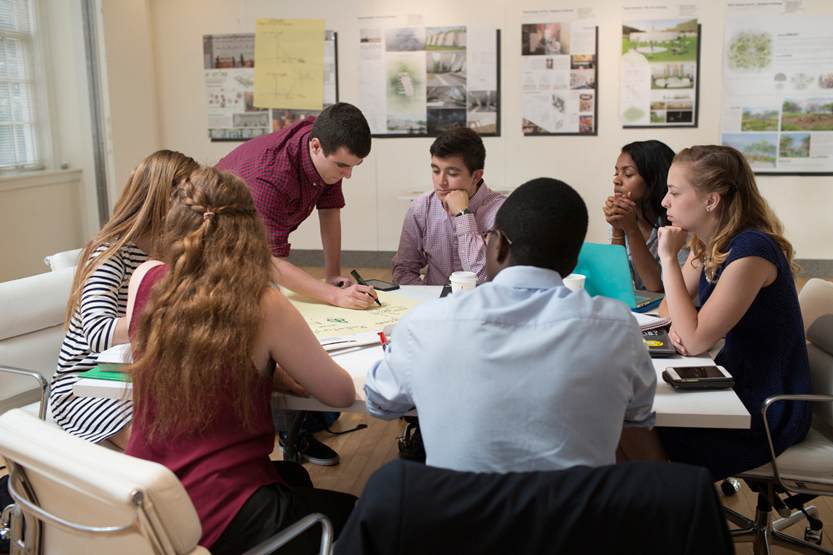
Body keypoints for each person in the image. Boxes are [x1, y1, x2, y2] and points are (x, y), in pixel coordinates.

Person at [124, 167, 358, 554]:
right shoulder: (263, 304)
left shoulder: (146, 279)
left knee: (294, 474)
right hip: (217, 508)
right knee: (355, 511)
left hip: (147, 493)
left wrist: (273, 376)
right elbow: (340, 394)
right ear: (250, 228)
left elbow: (198, 355)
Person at [366, 178, 657, 473]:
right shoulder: (617, 327)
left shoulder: (426, 323)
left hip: (463, 514)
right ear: (572, 263)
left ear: (500, 244)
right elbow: (638, 412)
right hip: (570, 515)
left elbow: (380, 401)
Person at [618, 145, 812, 481]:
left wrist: (667, 259)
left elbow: (691, 340)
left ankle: (672, 503)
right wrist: (685, 325)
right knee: (618, 418)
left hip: (765, 404)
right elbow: (667, 310)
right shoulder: (711, 243)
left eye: (675, 193)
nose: (664, 202)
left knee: (628, 418)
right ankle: (654, 506)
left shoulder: (752, 251)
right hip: (729, 381)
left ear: (711, 200)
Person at [50, 150, 199, 450]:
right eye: (189, 199)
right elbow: (99, 334)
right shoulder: (111, 254)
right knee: (161, 450)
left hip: (140, 375)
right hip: (87, 387)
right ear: (166, 199)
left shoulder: (168, 247)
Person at [216, 101, 376, 310]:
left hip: (255, 251)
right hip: (214, 247)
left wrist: (333, 275)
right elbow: (271, 263)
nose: (348, 175)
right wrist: (336, 296)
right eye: (343, 166)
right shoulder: (271, 178)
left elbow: (329, 211)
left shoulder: (327, 148)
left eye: (355, 165)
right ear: (316, 146)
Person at [392, 126, 506, 285]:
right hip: (434, 303)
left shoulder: (502, 211)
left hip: (482, 306)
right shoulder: (421, 207)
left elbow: (480, 277)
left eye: (452, 174)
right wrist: (428, 300)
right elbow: (403, 270)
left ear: (476, 176)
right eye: (436, 171)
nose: (441, 182)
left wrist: (463, 214)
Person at [603, 140, 687, 292]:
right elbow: (618, 282)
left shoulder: (678, 222)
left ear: (654, 179)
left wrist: (631, 230)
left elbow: (657, 287)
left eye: (628, 174)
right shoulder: (623, 216)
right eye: (616, 173)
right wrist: (617, 229)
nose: (616, 180)